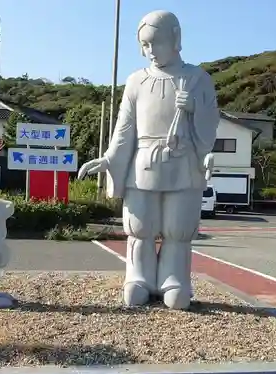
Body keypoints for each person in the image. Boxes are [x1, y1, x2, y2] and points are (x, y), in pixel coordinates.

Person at [78, 10, 219, 310]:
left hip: (182, 160)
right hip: (143, 163)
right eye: (144, 45)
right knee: (139, 227)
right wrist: (108, 159)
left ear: (176, 39)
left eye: (156, 42)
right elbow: (125, 128)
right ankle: (138, 277)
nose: (150, 51)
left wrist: (194, 108)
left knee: (177, 229)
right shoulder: (136, 81)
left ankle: (174, 280)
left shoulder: (197, 79)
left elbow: (211, 123)